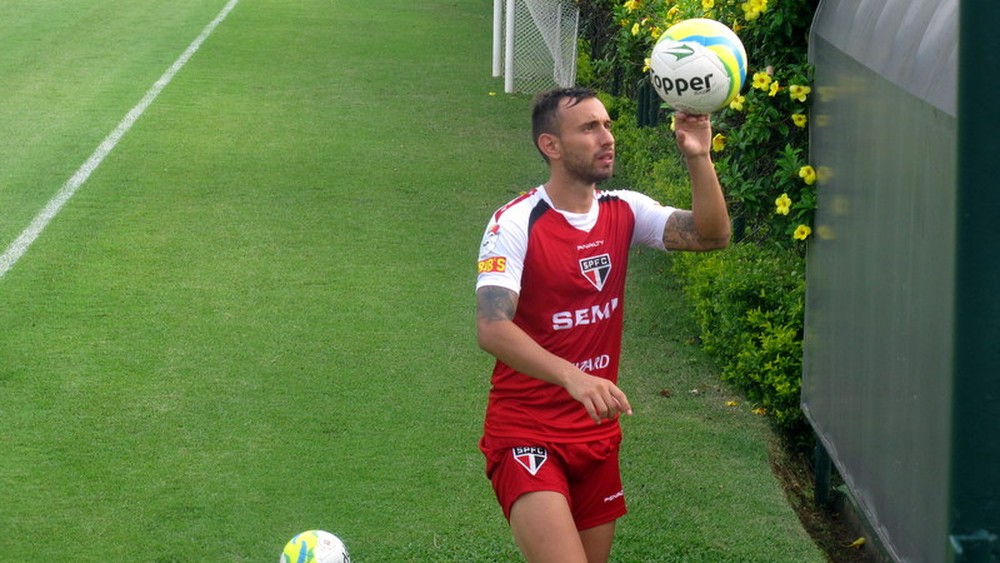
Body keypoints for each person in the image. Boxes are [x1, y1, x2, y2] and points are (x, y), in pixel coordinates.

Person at [474, 86, 731, 563]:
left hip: (595, 432)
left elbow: (712, 235)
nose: (606, 137)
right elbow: (492, 326)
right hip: (527, 431)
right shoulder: (514, 223)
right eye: (589, 128)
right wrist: (573, 375)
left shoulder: (625, 210)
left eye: (607, 125)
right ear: (550, 145)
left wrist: (698, 156)